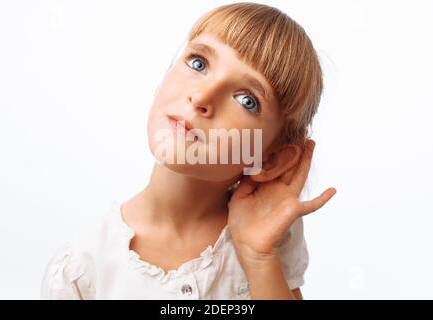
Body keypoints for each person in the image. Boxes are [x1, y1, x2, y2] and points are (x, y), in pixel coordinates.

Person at [40, 2, 336, 300]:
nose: (202, 97)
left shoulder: (268, 235)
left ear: (269, 159)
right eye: (198, 63)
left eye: (247, 100)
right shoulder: (83, 269)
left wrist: (258, 256)